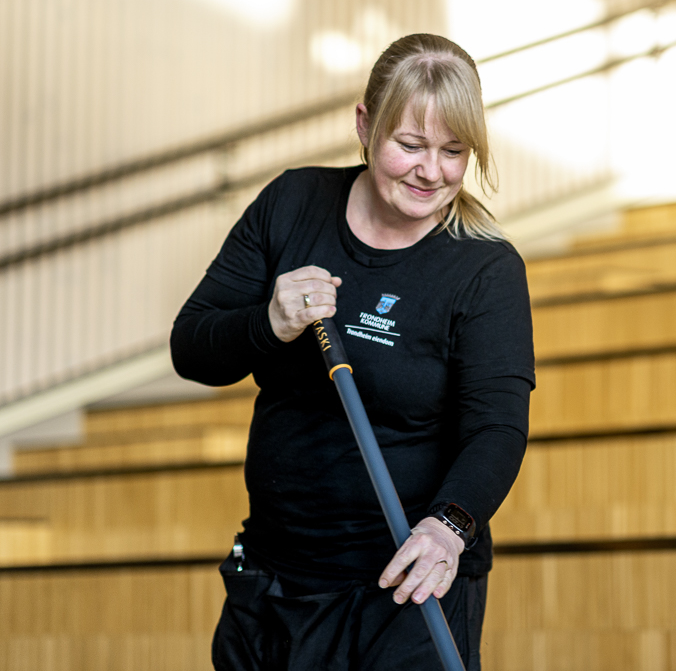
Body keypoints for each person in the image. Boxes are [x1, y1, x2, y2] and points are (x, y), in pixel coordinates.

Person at [171, 34, 534, 671]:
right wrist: (271, 322)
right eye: (411, 145)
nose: (432, 171)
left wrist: (448, 528)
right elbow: (193, 349)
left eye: (455, 151)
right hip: (277, 580)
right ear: (364, 125)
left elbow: (497, 428)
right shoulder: (292, 204)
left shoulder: (484, 270)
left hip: (409, 587)